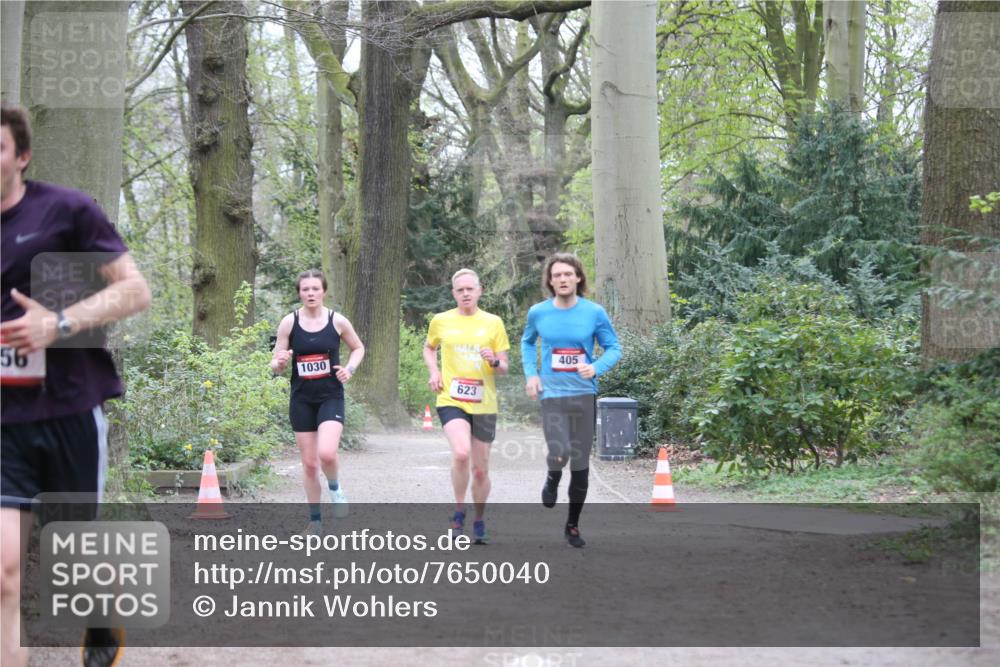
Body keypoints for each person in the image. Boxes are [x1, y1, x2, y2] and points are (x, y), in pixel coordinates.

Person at [1, 105, 152, 667]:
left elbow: (135, 292)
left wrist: (58, 323)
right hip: (2, 421)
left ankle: (100, 614)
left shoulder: (65, 211)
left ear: (22, 156)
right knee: (4, 573)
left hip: (67, 407)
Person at [521, 253, 621, 547]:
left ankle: (573, 526)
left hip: (584, 394)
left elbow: (614, 347)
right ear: (550, 281)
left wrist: (596, 367)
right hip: (552, 394)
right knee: (560, 450)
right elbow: (527, 343)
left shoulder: (594, 312)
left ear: (578, 278)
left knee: (579, 463)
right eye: (557, 275)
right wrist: (531, 374)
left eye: (568, 274)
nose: (562, 279)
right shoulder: (538, 312)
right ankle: (553, 476)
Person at [271, 269, 364, 534]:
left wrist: (350, 369)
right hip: (301, 399)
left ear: (323, 291)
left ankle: (335, 487)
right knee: (310, 464)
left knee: (326, 453)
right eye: (305, 289)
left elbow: (358, 347)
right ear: (299, 293)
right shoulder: (289, 322)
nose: (310, 293)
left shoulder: (337, 321)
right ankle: (315, 521)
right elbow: (276, 362)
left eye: (315, 289)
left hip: (330, 396)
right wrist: (278, 362)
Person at [424, 269, 510, 544]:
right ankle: (459, 511)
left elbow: (504, 368)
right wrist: (434, 372)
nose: (465, 294)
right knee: (461, 453)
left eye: (469, 289)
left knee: (481, 469)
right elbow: (429, 347)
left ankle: (479, 518)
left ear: (479, 291)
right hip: (451, 399)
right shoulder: (441, 321)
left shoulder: (493, 323)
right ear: (453, 293)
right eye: (460, 290)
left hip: (484, 403)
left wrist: (493, 361)